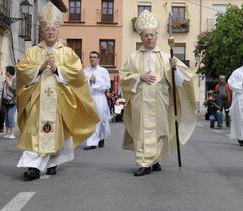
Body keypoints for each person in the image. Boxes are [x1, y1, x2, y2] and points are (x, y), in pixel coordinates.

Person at [16, 2, 99, 180]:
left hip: (60, 100)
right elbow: (22, 71)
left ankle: (53, 162)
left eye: (54, 29)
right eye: (47, 29)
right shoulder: (32, 52)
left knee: (59, 130)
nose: (51, 32)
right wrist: (39, 68)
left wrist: (57, 70)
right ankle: (33, 166)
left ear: (58, 31)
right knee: (35, 131)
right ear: (42, 32)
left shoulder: (67, 52)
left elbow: (77, 73)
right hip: (37, 100)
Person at [120, 10, 196, 177]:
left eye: (152, 35)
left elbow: (183, 79)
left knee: (161, 130)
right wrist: (139, 76)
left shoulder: (165, 57)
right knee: (142, 131)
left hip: (161, 100)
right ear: (141, 37)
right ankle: (143, 163)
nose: (149, 38)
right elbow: (123, 78)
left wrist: (176, 68)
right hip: (140, 100)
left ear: (156, 36)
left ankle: (154, 159)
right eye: (146, 35)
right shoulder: (133, 58)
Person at [83, 51, 111, 150]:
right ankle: (92, 142)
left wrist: (96, 82)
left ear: (98, 59)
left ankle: (101, 137)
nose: (92, 59)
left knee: (102, 119)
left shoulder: (103, 71)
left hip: (100, 97)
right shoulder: (85, 72)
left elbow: (107, 85)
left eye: (94, 57)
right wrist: (89, 82)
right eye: (90, 57)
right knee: (91, 120)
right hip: (90, 97)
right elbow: (82, 86)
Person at [2, 66, 17, 139]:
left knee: (10, 116)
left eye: (6, 71)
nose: (5, 72)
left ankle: (13, 133)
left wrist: (8, 83)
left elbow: (15, 90)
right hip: (6, 101)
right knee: (7, 117)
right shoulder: (5, 80)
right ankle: (7, 133)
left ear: (9, 72)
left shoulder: (15, 80)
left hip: (13, 101)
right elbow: (3, 91)